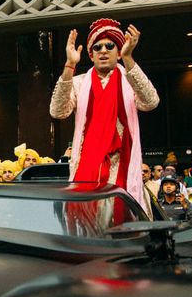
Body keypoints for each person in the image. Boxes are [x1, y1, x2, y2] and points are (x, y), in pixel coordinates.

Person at [50, 18, 158, 211]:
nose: (103, 50)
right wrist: (69, 65)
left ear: (119, 52)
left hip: (123, 168)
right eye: (97, 47)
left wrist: (129, 59)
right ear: (91, 56)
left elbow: (150, 102)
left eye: (110, 45)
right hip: (87, 169)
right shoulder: (79, 82)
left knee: (127, 227)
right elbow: (58, 112)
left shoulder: (130, 77)